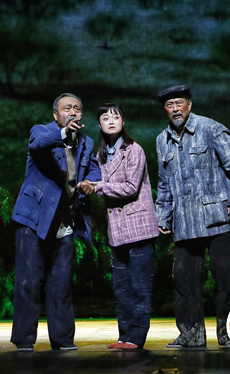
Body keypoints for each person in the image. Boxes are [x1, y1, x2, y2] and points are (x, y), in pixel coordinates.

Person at [154, 85, 230, 348]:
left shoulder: (210, 129)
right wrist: (163, 215)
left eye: (179, 103)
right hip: (184, 222)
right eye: (170, 105)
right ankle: (191, 334)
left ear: (189, 104)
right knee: (183, 278)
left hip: (217, 217)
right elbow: (164, 183)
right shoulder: (162, 140)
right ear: (165, 110)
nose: (175, 109)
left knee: (226, 278)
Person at [10, 93, 101, 352]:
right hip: (33, 220)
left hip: (64, 222)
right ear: (55, 114)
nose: (73, 112)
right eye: (67, 108)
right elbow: (38, 145)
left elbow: (94, 168)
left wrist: (91, 181)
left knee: (61, 284)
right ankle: (24, 340)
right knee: (28, 282)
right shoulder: (42, 132)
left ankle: (62, 340)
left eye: (77, 108)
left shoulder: (86, 142)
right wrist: (63, 134)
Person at [81, 103, 160, 350]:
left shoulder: (134, 150)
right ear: (99, 124)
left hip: (139, 227)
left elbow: (130, 187)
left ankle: (136, 338)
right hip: (117, 230)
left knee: (139, 287)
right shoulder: (100, 155)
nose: (111, 121)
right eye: (105, 118)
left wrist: (97, 186)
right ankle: (124, 336)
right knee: (121, 288)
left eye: (115, 117)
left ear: (123, 122)